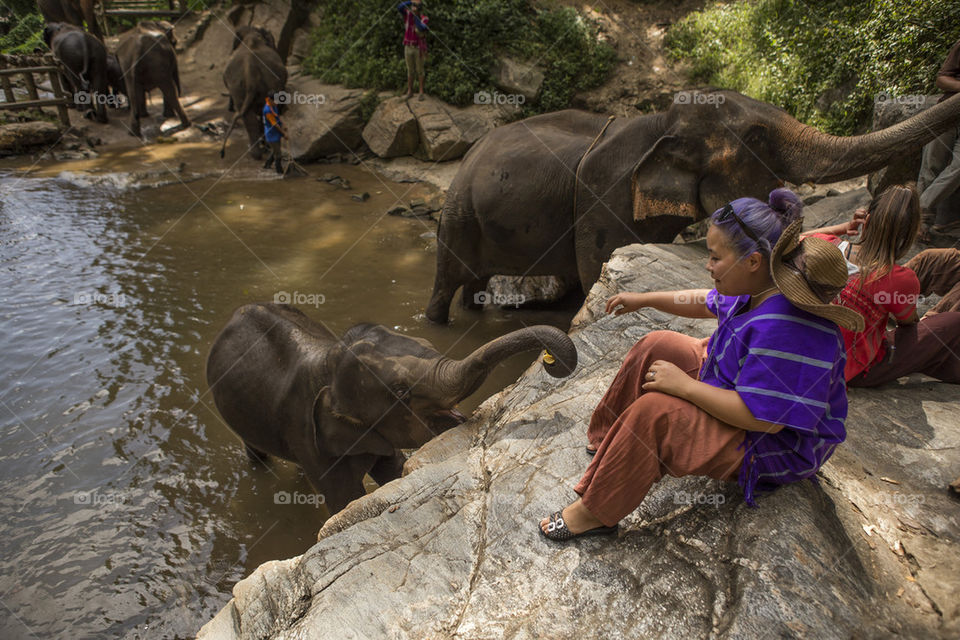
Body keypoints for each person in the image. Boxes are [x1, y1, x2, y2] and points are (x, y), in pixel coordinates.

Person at [539, 190, 863, 541]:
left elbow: (765, 420)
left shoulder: (784, 328)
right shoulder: (760, 283)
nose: (708, 266)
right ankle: (610, 441)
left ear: (753, 261)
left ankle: (595, 513)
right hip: (733, 385)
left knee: (656, 412)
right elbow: (705, 301)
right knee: (656, 345)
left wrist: (685, 387)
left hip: (770, 445)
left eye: (715, 257)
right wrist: (644, 300)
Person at [802, 185, 960, 386]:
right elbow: (907, 324)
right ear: (910, 237)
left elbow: (800, 237)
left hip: (816, 345)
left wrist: (844, 228)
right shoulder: (901, 279)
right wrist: (924, 320)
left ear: (866, 222)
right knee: (953, 321)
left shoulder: (824, 245)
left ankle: (906, 313)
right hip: (854, 367)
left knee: (930, 262)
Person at [917, 38, 960, 238]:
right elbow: (942, 80)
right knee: (931, 167)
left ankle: (918, 210)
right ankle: (922, 225)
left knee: (958, 169)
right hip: (947, 113)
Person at [397, 0, 429, 101]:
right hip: (408, 46)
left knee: (420, 70)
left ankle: (421, 92)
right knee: (410, 70)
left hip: (418, 48)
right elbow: (399, 7)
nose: (414, 7)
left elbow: (420, 27)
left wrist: (415, 15)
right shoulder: (407, 14)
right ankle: (410, 91)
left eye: (416, 6)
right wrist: (410, 1)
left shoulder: (424, 18)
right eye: (413, 5)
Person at [262, 92, 287, 174]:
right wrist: (284, 133)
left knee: (275, 150)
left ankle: (267, 165)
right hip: (271, 133)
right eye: (275, 101)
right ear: (270, 100)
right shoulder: (267, 111)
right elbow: (274, 124)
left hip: (275, 132)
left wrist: (283, 124)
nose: (277, 103)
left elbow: (277, 116)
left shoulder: (273, 105)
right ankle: (279, 172)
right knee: (278, 154)